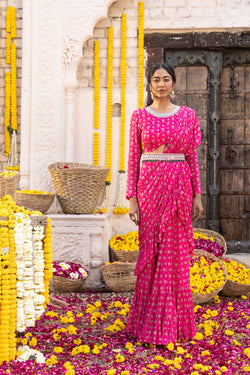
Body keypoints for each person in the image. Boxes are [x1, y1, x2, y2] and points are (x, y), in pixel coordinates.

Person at [125, 62, 203, 345]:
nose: (161, 84)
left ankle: (174, 326)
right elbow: (134, 158)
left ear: (173, 83)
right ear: (149, 84)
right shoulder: (139, 117)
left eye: (166, 79)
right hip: (149, 189)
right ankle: (146, 323)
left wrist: (198, 194)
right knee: (151, 252)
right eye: (156, 79)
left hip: (179, 189)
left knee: (174, 254)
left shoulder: (188, 116)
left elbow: (192, 158)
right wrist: (132, 198)